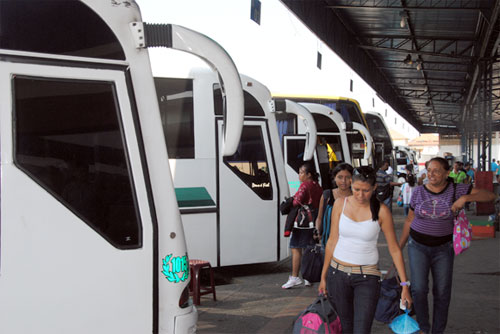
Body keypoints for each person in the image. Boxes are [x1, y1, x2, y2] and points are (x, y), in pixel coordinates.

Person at [398, 157, 495, 334]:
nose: (431, 174)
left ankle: (438, 331)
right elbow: (409, 219)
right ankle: (423, 328)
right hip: (417, 245)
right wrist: (399, 246)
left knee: (442, 291)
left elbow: (490, 195)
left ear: (447, 172)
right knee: (419, 289)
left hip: (444, 248)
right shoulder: (419, 192)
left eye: (436, 170)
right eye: (429, 170)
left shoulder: (457, 189)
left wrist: (465, 198)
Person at [317, 166, 412, 333]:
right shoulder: (340, 204)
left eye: (366, 191)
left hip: (367, 278)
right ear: (351, 185)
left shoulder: (382, 211)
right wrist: (323, 276)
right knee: (344, 328)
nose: (361, 195)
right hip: (337, 275)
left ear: (374, 188)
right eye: (357, 190)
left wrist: (404, 285)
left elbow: (395, 249)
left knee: (361, 330)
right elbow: (332, 241)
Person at [282, 162, 323, 289]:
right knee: (309, 248)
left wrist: (290, 201)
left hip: (302, 222)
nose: (299, 175)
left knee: (295, 248)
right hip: (313, 220)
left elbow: (296, 201)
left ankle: (294, 277)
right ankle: (308, 277)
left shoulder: (305, 185)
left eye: (301, 172)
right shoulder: (317, 185)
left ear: (308, 174)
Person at [315, 163, 354, 247]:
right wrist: (318, 231)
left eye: (347, 177)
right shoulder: (327, 195)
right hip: (329, 243)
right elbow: (319, 217)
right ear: (334, 178)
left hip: (351, 244)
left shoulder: (357, 197)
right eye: (340, 177)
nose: (343, 181)